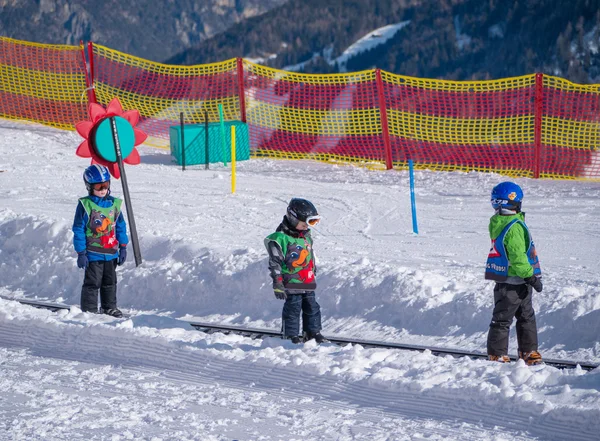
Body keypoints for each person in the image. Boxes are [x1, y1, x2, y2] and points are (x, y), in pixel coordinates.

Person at [485, 182, 543, 365]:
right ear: (515, 202)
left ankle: (528, 350)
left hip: (507, 279)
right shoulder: (514, 226)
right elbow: (517, 257)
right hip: (516, 281)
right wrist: (530, 276)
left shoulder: (499, 222)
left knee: (525, 317)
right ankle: (498, 353)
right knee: (506, 319)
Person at [264, 198, 325, 344]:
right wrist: (278, 283)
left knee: (312, 307)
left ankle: (312, 332)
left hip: (307, 280)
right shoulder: (280, 239)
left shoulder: (306, 237)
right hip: (291, 281)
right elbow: (275, 263)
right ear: (292, 218)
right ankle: (290, 335)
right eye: (304, 224)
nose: (306, 227)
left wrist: (313, 271)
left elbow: (310, 257)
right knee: (293, 308)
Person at [72, 164, 128, 317]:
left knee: (110, 282)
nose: (103, 189)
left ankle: (109, 307)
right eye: (98, 186)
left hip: (111, 252)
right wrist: (81, 252)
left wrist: (123, 246)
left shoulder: (114, 204)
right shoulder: (85, 205)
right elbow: (78, 229)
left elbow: (121, 225)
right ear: (89, 186)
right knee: (93, 283)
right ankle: (89, 310)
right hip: (93, 253)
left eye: (106, 185)